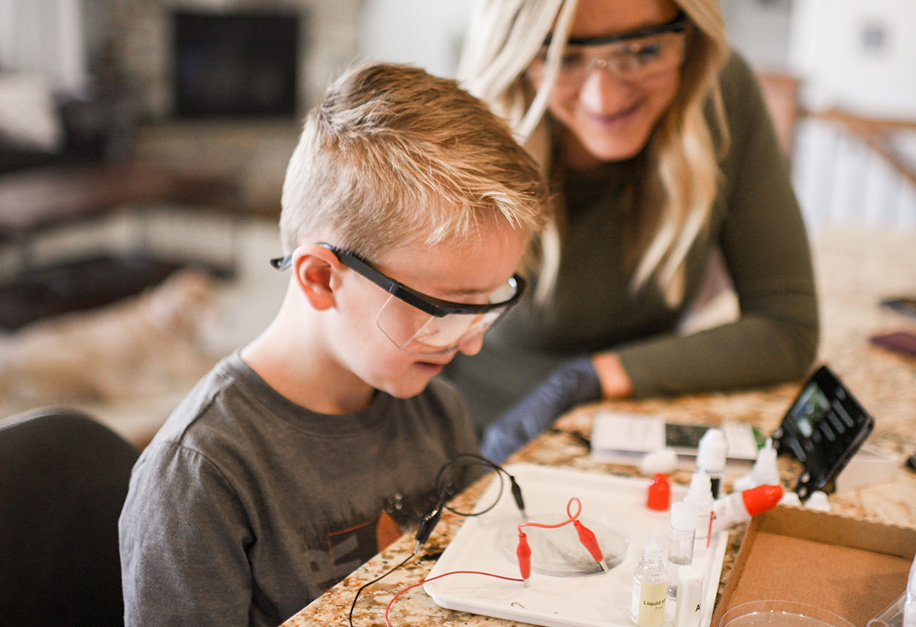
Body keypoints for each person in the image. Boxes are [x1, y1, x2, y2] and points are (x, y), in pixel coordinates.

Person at [118, 62, 550, 627]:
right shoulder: (200, 476)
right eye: (447, 309)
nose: (469, 348)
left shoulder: (437, 409)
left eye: (490, 302)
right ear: (321, 278)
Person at [447, 0, 819, 462]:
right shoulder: (469, 124)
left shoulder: (722, 92)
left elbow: (787, 327)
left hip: (630, 437)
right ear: (518, 58)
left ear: (691, 40)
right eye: (564, 58)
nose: (604, 98)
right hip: (480, 440)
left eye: (644, 51)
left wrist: (591, 377)